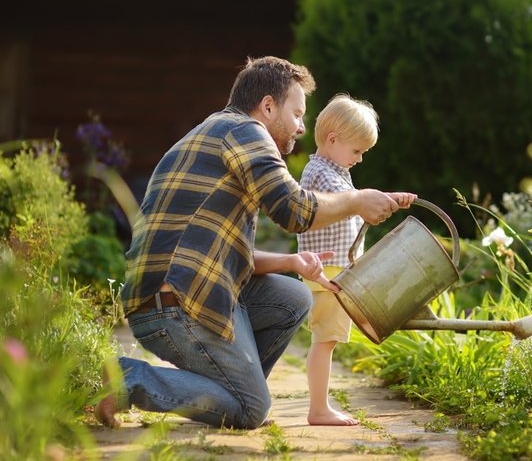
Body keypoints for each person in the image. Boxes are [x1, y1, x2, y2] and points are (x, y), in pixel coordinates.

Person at [95, 56, 416, 430]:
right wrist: (358, 201)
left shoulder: (215, 132)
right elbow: (293, 210)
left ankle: (228, 394)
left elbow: (225, 253)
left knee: (294, 297)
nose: (300, 127)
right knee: (251, 410)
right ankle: (128, 378)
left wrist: (292, 263)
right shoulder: (247, 132)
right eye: (297, 114)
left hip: (184, 292)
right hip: (173, 305)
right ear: (267, 106)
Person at [297, 94, 404, 426]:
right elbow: (349, 203)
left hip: (336, 270)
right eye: (357, 151)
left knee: (329, 338)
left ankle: (320, 405)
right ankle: (318, 409)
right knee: (325, 340)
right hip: (327, 271)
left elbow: (358, 205)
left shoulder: (335, 171)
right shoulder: (321, 173)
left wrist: (389, 200)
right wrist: (375, 200)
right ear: (332, 140)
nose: (359, 159)